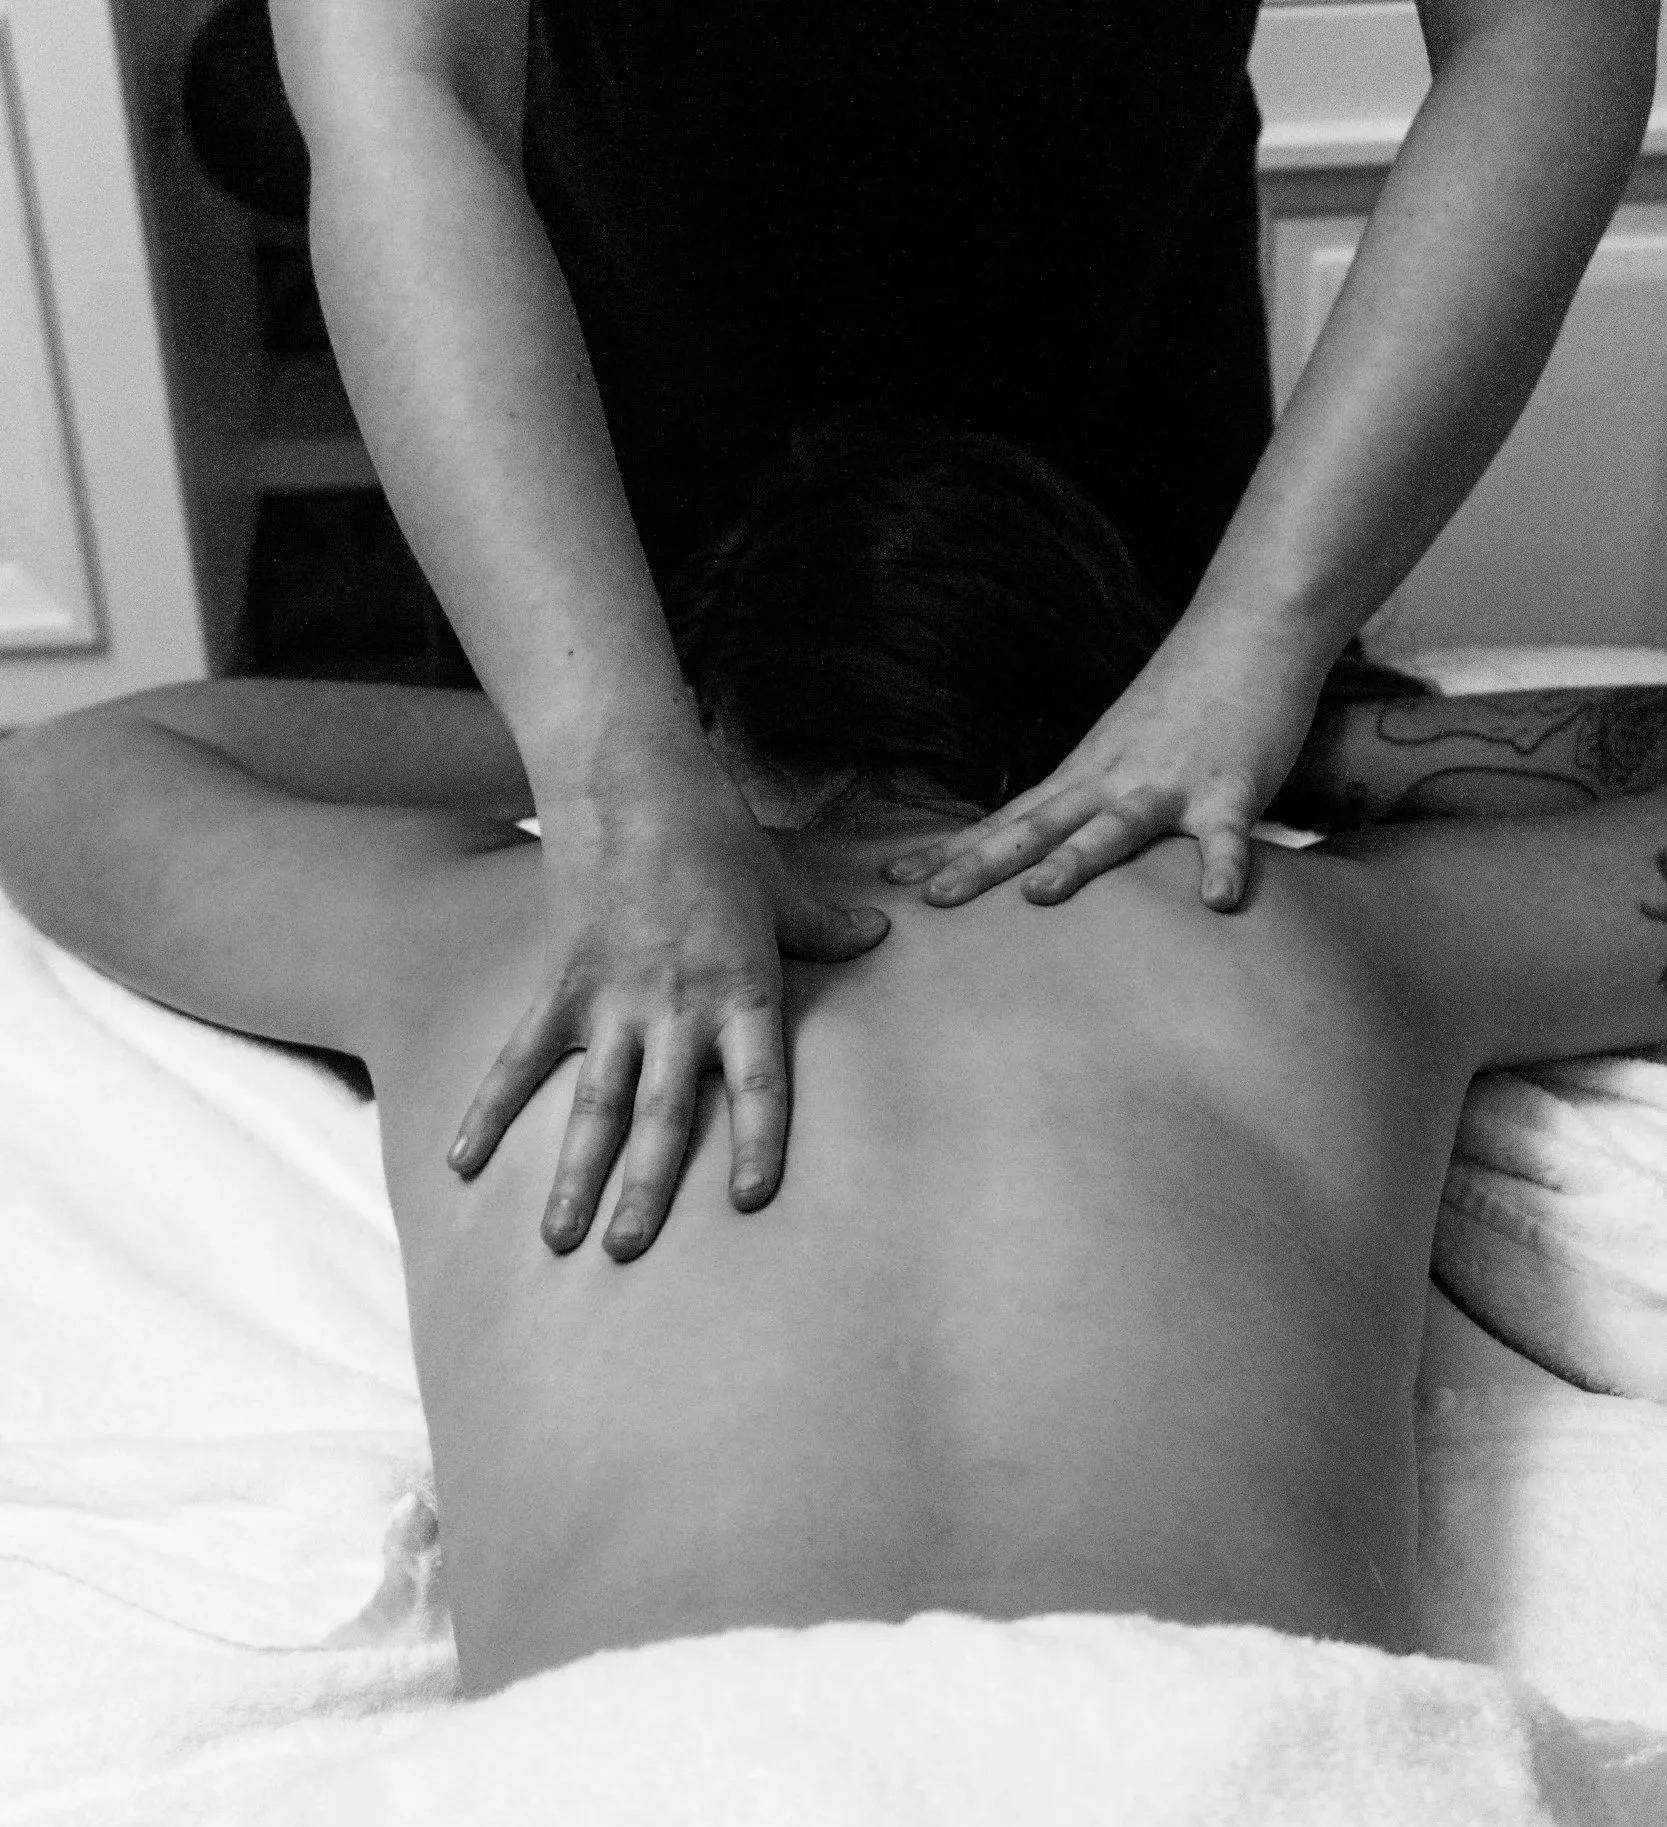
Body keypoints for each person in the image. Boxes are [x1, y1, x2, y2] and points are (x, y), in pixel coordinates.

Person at [2, 423, 1665, 1693]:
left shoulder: (496, 938)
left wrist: (642, 747)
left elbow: (72, 770)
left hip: (621, 1814)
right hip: (1247, 1777)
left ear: (726, 712)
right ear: (1114, 695)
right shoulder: (1317, 939)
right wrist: (1296, 721)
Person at [260, 0, 1660, 1263]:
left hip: (1120, 455)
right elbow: (400, 88)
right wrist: (606, 757)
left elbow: (1545, 34)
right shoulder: (1339, 948)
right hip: (599, 471)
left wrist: (1257, 644)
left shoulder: (1330, 945)